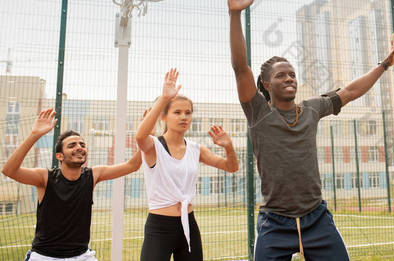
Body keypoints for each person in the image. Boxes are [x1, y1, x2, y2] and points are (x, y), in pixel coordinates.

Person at [225, 0, 394, 261]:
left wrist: (385, 64)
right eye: (281, 76)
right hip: (275, 223)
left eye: (292, 74)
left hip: (316, 220)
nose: (289, 79)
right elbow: (240, 67)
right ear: (267, 85)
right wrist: (235, 15)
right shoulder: (257, 112)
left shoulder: (312, 108)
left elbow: (349, 92)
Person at [1, 108, 142, 261]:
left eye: (82, 144)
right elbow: (9, 170)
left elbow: (132, 165)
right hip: (45, 256)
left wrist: (146, 136)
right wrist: (35, 135)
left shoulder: (92, 175)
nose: (79, 147)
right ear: (59, 156)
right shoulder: (45, 178)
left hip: (81, 256)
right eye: (72, 145)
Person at [136, 68, 239, 261]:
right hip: (160, 226)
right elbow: (140, 136)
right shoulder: (154, 146)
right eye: (177, 112)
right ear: (164, 117)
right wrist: (164, 98)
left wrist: (229, 147)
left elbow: (231, 167)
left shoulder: (196, 149)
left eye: (188, 113)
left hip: (188, 225)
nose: (184, 116)